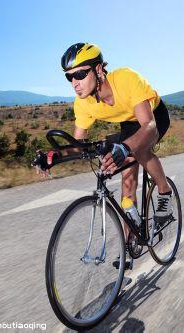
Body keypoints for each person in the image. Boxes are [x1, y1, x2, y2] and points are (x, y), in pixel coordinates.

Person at [41, 42, 173, 266]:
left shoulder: (127, 79)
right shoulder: (83, 103)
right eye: (69, 77)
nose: (75, 83)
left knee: (138, 151)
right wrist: (52, 156)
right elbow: (77, 144)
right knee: (126, 179)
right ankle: (130, 243)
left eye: (80, 74)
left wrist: (126, 148)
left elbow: (149, 127)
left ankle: (164, 192)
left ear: (99, 69)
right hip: (128, 123)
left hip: (152, 116)